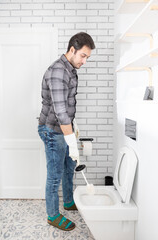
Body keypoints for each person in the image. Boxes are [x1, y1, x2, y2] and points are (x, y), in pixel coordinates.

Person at [38, 32, 95, 231]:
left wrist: (74, 126)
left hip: (65, 129)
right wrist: (71, 141)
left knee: (69, 168)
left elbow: (67, 104)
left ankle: (68, 201)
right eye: (83, 56)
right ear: (72, 50)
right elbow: (60, 112)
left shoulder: (70, 69)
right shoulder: (58, 72)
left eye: (87, 57)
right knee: (54, 175)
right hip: (52, 130)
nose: (85, 61)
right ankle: (53, 215)